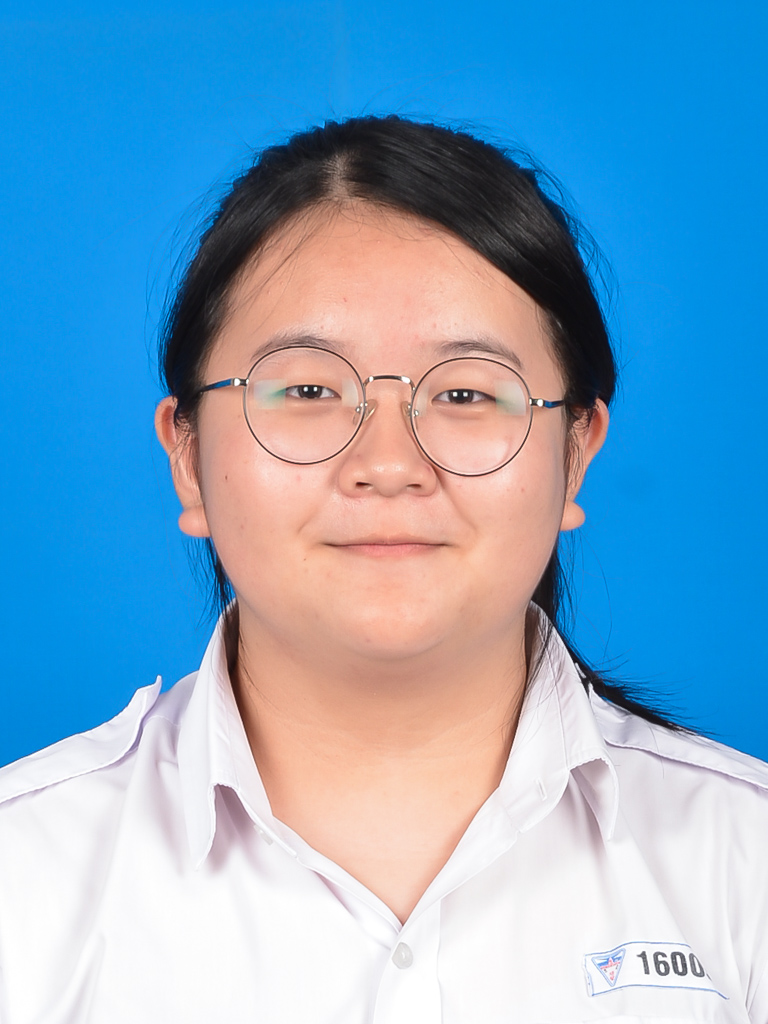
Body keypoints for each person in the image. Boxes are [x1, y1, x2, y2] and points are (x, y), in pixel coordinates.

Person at [0, 115, 765, 1024]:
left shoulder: (742, 865)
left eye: (467, 393)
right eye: (308, 390)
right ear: (188, 458)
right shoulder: (26, 874)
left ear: (574, 455)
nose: (390, 463)